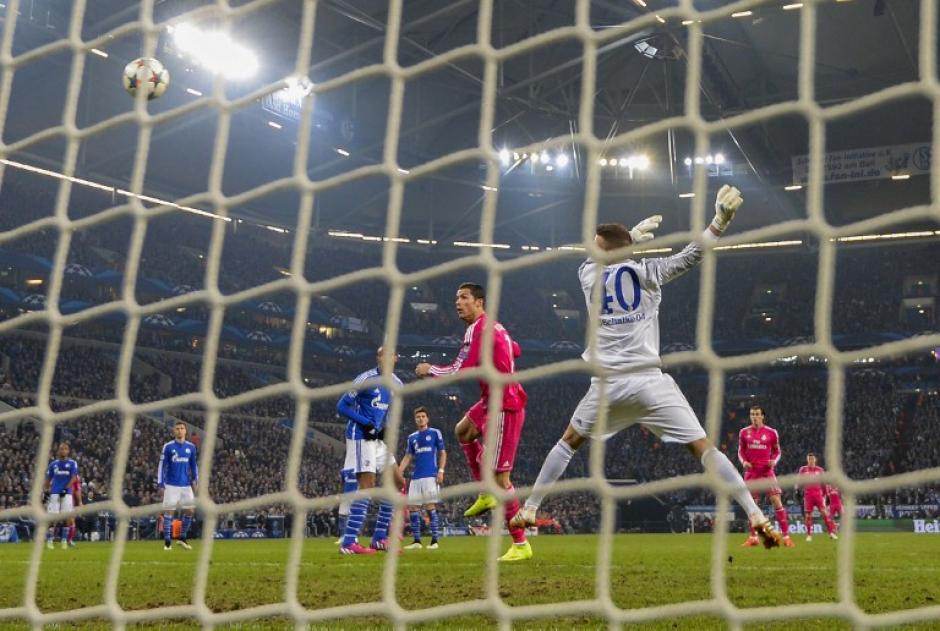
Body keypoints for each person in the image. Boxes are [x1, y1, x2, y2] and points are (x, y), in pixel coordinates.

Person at [511, 185, 782, 552]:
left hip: (607, 385)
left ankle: (529, 509)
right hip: (650, 382)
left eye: (595, 243)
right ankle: (755, 514)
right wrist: (718, 223)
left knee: (569, 442)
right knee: (703, 448)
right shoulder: (648, 272)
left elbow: (595, 261)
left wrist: (632, 238)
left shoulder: (588, 276)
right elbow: (690, 256)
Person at [416, 283, 531, 561]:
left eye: (464, 298)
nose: (458, 302)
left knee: (502, 479)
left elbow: (460, 369)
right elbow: (516, 350)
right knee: (463, 431)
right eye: (456, 297)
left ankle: (520, 543)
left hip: (505, 404)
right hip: (491, 399)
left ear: (479, 302)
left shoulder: (478, 328)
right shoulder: (495, 327)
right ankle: (484, 490)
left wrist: (428, 369)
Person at [337, 347, 406, 555]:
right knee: (367, 485)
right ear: (378, 358)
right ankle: (348, 543)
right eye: (380, 355)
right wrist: (365, 423)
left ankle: (379, 539)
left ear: (395, 358)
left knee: (398, 482)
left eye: (389, 355)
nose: (384, 358)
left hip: (377, 440)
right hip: (360, 437)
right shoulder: (365, 378)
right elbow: (341, 406)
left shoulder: (397, 384)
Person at [738, 405, 793, 548]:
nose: (754, 417)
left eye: (757, 414)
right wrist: (744, 462)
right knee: (752, 505)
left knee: (776, 500)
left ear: (763, 416)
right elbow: (741, 451)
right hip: (751, 473)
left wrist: (774, 461)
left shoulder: (771, 432)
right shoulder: (744, 432)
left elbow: (777, 452)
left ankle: (786, 536)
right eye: (752, 414)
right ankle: (753, 537)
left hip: (767, 472)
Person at [399, 406, 446, 550]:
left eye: (423, 416)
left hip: (430, 475)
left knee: (430, 506)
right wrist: (399, 471)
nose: (420, 419)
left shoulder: (434, 433)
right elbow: (408, 456)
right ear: (415, 420)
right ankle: (417, 541)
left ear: (427, 418)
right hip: (416, 477)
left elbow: (442, 453)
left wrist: (441, 471)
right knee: (413, 508)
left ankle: (434, 541)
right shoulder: (412, 437)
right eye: (418, 417)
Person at [158, 420, 199, 550]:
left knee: (190, 511)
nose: (180, 430)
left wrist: (196, 479)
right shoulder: (168, 446)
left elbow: (193, 464)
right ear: (174, 431)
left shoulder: (191, 447)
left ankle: (182, 538)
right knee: (169, 512)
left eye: (182, 428)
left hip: (186, 485)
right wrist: (160, 483)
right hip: (171, 485)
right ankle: (167, 542)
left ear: (185, 431)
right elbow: (161, 465)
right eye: (177, 428)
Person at [44, 442, 78, 550]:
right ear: (58, 451)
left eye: (65, 449)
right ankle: (49, 541)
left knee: (67, 517)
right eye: (61, 449)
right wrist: (45, 491)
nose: (63, 450)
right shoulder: (53, 464)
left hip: (66, 494)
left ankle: (64, 541)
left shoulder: (72, 463)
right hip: (54, 493)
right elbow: (48, 480)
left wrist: (65, 489)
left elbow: (74, 478)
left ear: (68, 451)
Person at [797, 453, 838, 542]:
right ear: (807, 460)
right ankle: (809, 535)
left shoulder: (820, 470)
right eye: (809, 459)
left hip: (818, 495)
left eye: (812, 459)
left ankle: (831, 533)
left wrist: (826, 495)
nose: (811, 461)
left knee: (825, 514)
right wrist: (797, 488)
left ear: (815, 460)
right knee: (808, 516)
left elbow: (824, 484)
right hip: (808, 495)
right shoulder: (803, 469)